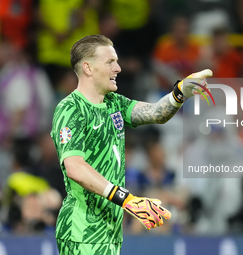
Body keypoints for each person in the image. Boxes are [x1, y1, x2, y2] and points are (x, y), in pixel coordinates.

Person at [50, 34, 212, 254]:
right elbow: (75, 167)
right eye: (110, 62)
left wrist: (179, 92)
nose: (118, 68)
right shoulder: (71, 109)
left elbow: (156, 113)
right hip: (82, 232)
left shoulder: (114, 103)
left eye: (116, 61)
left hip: (109, 231)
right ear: (88, 68)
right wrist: (126, 199)